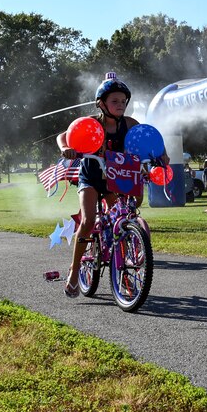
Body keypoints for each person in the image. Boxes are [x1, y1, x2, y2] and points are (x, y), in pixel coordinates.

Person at [56, 72, 168, 298]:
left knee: (122, 222)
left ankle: (125, 277)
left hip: (115, 180)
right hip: (91, 178)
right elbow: (63, 136)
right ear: (102, 104)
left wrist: (162, 156)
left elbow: (150, 140)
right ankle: (75, 271)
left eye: (123, 101)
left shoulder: (130, 124)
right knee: (87, 222)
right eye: (114, 101)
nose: (120, 105)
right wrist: (65, 148)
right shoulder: (90, 123)